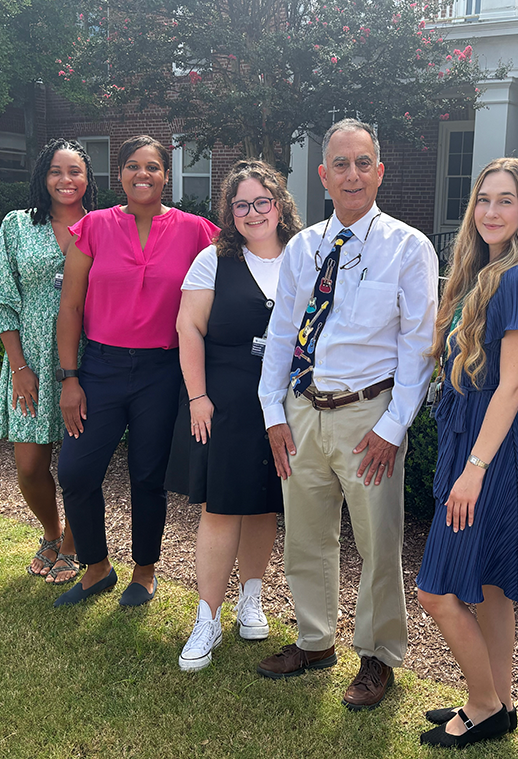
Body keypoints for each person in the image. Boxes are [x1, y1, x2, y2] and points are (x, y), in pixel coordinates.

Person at [256, 118, 438, 710]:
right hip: (303, 410)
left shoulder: (410, 248)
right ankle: (314, 640)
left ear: (379, 171)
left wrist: (393, 425)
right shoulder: (304, 247)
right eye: (342, 164)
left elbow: (418, 348)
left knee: (379, 544)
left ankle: (378, 656)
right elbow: (282, 333)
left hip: (370, 417)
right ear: (323, 175)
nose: (353, 174)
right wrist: (273, 412)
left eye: (364, 163)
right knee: (306, 534)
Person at [416, 158, 518, 748]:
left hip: (487, 452)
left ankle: (482, 703)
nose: (492, 212)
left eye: (506, 201)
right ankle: (500, 699)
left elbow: (514, 385)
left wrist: (473, 469)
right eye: (484, 200)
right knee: (492, 585)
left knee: (435, 590)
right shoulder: (482, 273)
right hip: (469, 441)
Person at [53, 135, 220, 608]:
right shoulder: (94, 227)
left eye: (152, 166)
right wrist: (70, 377)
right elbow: (69, 308)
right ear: (119, 174)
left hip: (163, 372)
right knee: (77, 472)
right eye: (131, 166)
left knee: (148, 476)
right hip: (100, 368)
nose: (141, 174)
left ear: (166, 175)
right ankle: (97, 567)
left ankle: (144, 572)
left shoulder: (196, 231)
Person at [167, 160, 303, 670]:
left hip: (286, 404)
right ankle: (208, 616)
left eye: (261, 201)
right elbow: (189, 330)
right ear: (230, 211)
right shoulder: (212, 260)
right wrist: (198, 397)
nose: (252, 212)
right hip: (223, 400)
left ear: (279, 204)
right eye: (241, 204)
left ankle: (251, 599)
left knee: (265, 503)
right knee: (221, 506)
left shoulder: (302, 256)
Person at [0, 138, 96, 586]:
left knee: (78, 464)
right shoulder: (16, 225)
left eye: (75, 172)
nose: (66, 180)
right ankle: (51, 533)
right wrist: (19, 366)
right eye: (56, 171)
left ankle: (72, 543)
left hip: (86, 358)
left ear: (88, 179)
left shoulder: (101, 226)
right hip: (28, 358)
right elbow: (3, 299)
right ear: (42, 177)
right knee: (29, 466)